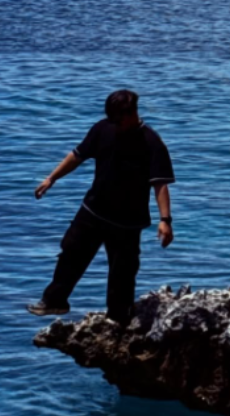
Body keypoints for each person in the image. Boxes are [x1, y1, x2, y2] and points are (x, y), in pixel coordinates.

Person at [27, 89, 175, 326]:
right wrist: (51, 178)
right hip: (93, 210)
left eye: (118, 119)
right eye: (111, 119)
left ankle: (118, 319)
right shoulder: (102, 128)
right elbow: (77, 155)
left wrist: (165, 220)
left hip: (127, 222)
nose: (114, 124)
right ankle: (55, 301)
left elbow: (160, 185)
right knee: (70, 254)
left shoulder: (152, 143)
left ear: (131, 114)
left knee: (122, 273)